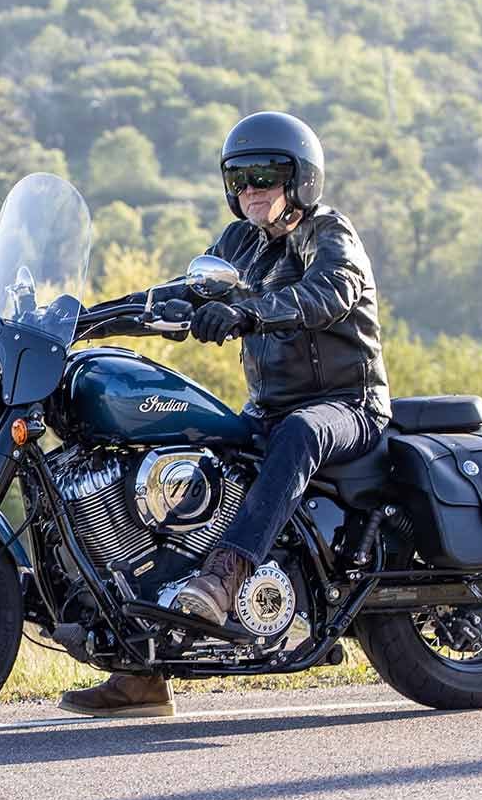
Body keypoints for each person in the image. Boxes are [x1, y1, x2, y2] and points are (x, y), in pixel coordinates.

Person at [60, 111, 390, 719]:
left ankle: (226, 576)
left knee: (300, 430)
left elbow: (329, 293)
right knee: (179, 461)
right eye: (238, 177)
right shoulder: (237, 244)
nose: (250, 188)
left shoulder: (330, 234)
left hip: (346, 409)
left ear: (301, 180)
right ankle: (142, 668)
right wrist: (84, 318)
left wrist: (249, 313)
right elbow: (180, 294)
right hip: (266, 409)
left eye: (265, 173)